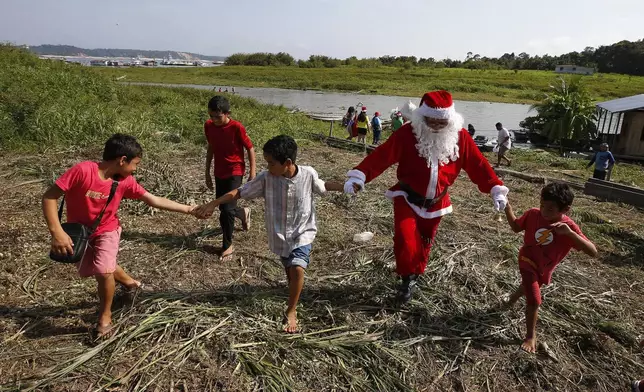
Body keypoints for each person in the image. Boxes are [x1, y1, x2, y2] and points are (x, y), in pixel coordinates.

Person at [344, 90, 509, 302]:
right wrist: (359, 176)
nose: (437, 126)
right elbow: (382, 156)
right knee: (405, 238)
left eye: (442, 122)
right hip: (407, 197)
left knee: (425, 242)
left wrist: (495, 187)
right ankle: (405, 278)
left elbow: (478, 165)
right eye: (432, 121)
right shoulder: (407, 134)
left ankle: (416, 274)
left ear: (450, 119)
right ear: (423, 117)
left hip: (437, 202)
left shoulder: (461, 137)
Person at [42, 134, 198, 338]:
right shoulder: (83, 171)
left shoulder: (125, 182)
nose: (135, 169)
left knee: (103, 271)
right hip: (80, 233)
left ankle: (105, 316)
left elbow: (153, 199)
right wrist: (57, 232)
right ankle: (131, 283)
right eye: (135, 163)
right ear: (122, 160)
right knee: (100, 265)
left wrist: (189, 209)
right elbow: (49, 197)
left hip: (108, 229)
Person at [195, 135, 345, 332]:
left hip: (303, 232)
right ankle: (293, 290)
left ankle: (291, 310)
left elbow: (323, 186)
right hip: (280, 234)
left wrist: (345, 186)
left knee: (298, 267)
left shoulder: (308, 174)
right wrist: (213, 203)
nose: (268, 167)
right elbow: (240, 192)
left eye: (271, 163)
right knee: (289, 268)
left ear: (288, 163)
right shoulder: (267, 178)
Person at [502, 183, 597, 353]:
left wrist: (570, 234)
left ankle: (511, 299)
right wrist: (507, 208)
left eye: (551, 209)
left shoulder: (568, 227)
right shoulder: (533, 215)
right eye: (542, 205)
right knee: (535, 299)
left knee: (529, 286)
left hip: (544, 267)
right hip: (527, 258)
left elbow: (593, 251)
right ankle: (531, 336)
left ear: (565, 209)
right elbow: (516, 227)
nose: (544, 211)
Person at [204, 96, 257, 261]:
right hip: (219, 171)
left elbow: (250, 148)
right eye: (212, 116)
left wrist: (252, 171)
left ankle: (227, 245)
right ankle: (242, 213)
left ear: (227, 113)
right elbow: (211, 147)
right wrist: (207, 172)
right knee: (224, 207)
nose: (214, 120)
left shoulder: (236, 127)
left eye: (218, 117)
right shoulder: (209, 126)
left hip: (235, 170)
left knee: (226, 211)